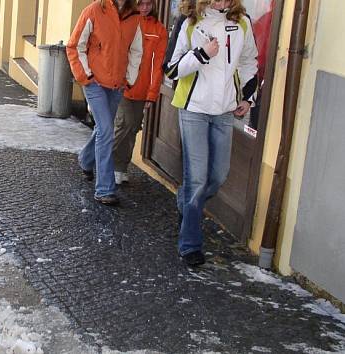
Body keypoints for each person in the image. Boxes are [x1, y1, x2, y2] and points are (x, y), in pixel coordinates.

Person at [164, 0, 258, 266]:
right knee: (197, 179)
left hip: (225, 111)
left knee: (217, 176)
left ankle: (185, 203)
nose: (222, 1)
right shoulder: (189, 20)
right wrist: (201, 54)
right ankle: (190, 244)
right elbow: (170, 68)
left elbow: (249, 61)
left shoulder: (242, 22)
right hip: (194, 108)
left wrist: (248, 97)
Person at [67, 0, 142, 206]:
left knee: (103, 130)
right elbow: (74, 46)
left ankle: (86, 160)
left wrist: (129, 78)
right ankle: (104, 189)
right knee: (107, 130)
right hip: (95, 83)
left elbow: (136, 51)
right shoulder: (93, 11)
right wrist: (85, 76)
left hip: (117, 85)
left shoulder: (133, 17)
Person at [112, 0, 168, 185]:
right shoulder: (127, 22)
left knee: (132, 128)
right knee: (123, 125)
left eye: (148, 4)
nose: (144, 8)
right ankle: (107, 165)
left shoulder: (159, 30)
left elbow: (158, 66)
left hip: (142, 89)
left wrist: (152, 94)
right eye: (140, 4)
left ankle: (120, 166)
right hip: (122, 85)